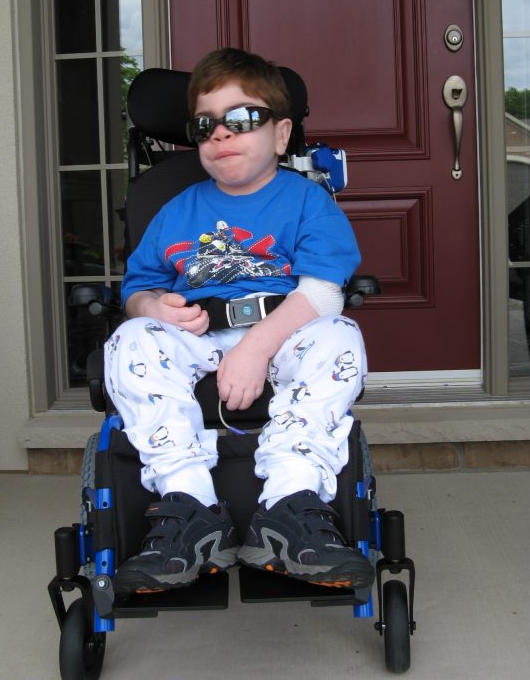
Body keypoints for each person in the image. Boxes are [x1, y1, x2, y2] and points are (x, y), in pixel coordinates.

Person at [105, 47, 374, 594]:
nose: (222, 134)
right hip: (195, 334)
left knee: (341, 335)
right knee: (129, 339)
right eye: (205, 125)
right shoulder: (176, 209)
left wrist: (256, 346)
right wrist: (152, 308)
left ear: (280, 135)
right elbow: (137, 289)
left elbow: (323, 293)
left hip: (286, 332)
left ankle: (290, 502)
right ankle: (190, 503)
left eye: (243, 119)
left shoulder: (307, 201)